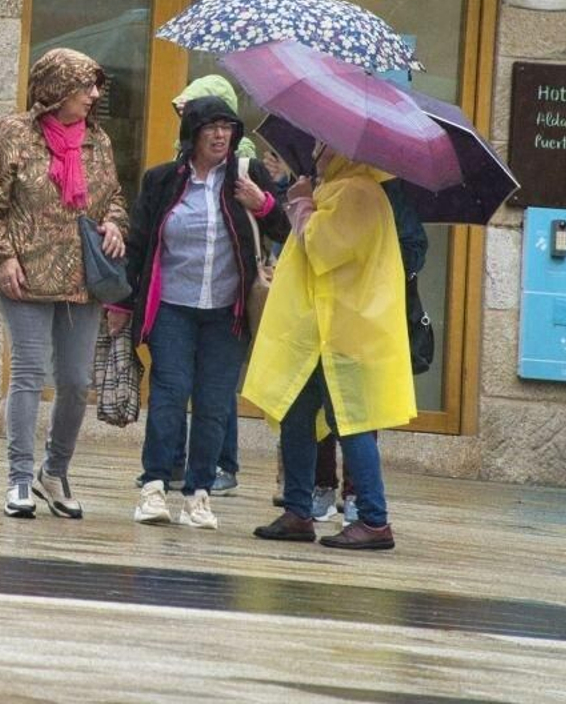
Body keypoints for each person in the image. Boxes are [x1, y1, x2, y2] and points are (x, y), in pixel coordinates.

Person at [0, 48, 127, 520]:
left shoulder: (99, 142)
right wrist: (2, 259)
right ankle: (19, 477)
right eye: (85, 87)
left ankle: (54, 472)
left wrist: (116, 224)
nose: (94, 96)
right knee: (28, 373)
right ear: (57, 89)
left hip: (83, 278)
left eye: (96, 86)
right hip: (25, 276)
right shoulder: (14, 134)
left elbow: (114, 197)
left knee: (77, 381)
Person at [119, 96, 287, 530]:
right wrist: (120, 303)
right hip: (172, 307)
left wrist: (262, 204)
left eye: (227, 127)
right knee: (170, 394)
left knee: (214, 404)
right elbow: (138, 244)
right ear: (191, 134)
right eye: (210, 127)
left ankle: (199, 494)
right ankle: (154, 486)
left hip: (227, 313)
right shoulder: (162, 181)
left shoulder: (248, 177)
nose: (219, 135)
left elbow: (287, 229)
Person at [247, 143, 416, 551]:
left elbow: (322, 249)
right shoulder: (341, 187)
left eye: (325, 146)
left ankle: (374, 520)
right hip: (319, 331)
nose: (317, 151)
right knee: (297, 413)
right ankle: (298, 511)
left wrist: (301, 204)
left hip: (342, 332)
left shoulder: (358, 192)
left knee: (351, 423)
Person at [168, 74, 261, 497]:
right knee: (179, 384)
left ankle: (222, 464)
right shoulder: (179, 165)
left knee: (216, 389)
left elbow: (269, 221)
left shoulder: (242, 168)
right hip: (182, 295)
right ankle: (175, 464)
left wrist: (265, 203)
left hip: (228, 295)